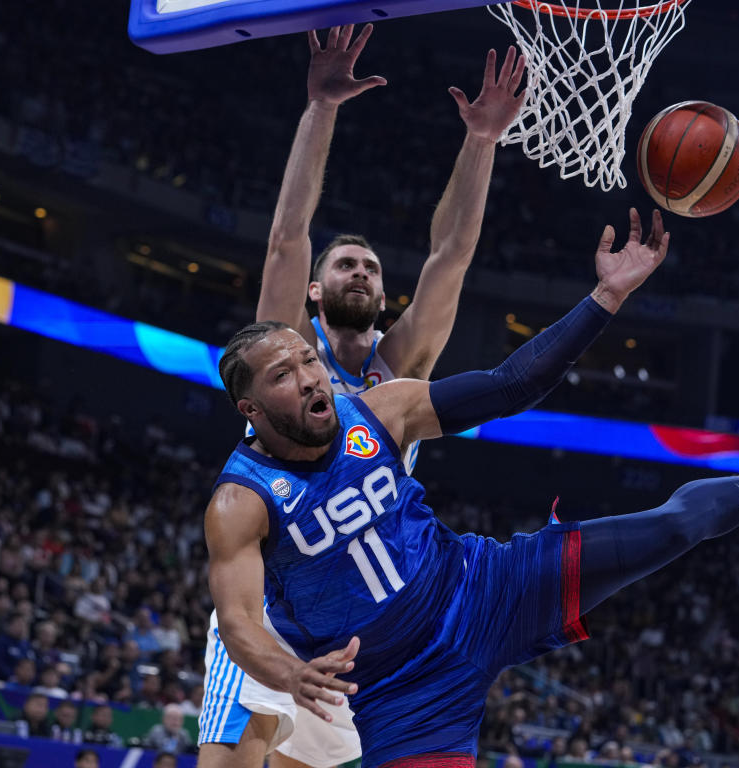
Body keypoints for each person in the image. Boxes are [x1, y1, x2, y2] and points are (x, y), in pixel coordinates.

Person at [204, 208, 739, 768]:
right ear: (252, 410)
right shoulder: (241, 501)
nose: (309, 377)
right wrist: (287, 674)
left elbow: (514, 385)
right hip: (405, 692)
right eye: (284, 376)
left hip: (487, 588)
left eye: (306, 361)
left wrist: (606, 297)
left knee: (675, 529)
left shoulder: (382, 408)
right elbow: (238, 622)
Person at [198, 21, 528, 768]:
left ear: (384, 296)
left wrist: (481, 141)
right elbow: (288, 236)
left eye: (373, 269)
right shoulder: (290, 349)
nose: (361, 273)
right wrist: (322, 107)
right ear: (314, 291)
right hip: (276, 597)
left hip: (359, 612)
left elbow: (452, 256)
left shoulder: (401, 365)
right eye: (345, 264)